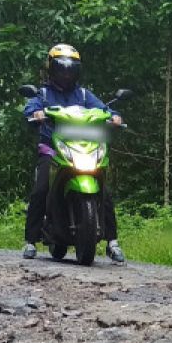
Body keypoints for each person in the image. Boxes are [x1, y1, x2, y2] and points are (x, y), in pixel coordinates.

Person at [22, 43, 125, 263]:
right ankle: (30, 240)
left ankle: (112, 242)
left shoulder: (85, 95)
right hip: (52, 149)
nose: (66, 73)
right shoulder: (43, 94)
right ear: (51, 68)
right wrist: (36, 113)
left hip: (84, 149)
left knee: (104, 191)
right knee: (41, 189)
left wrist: (114, 116)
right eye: (61, 67)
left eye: (71, 68)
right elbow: (30, 108)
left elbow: (106, 109)